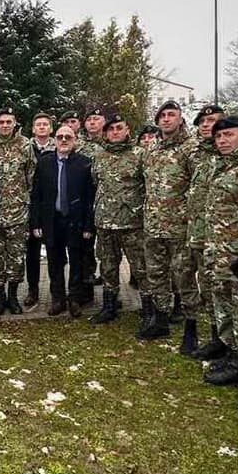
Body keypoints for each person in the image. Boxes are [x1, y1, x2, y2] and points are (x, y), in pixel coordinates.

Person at [203, 116, 238, 389]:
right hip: (219, 253)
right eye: (218, 136)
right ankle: (232, 354)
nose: (223, 140)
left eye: (229, 134)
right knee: (224, 307)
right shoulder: (220, 167)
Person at [139, 101, 195, 340]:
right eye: (162, 115)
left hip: (180, 227)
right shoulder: (151, 149)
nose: (166, 119)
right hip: (153, 225)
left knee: (184, 276)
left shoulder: (191, 148)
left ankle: (191, 326)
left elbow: (198, 187)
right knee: (156, 274)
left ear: (180, 119)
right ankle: (160, 319)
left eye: (171, 114)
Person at [29, 124, 95, 317]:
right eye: (60, 137)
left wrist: (88, 225)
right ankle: (57, 299)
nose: (64, 140)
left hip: (75, 221)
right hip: (52, 220)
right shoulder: (44, 163)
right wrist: (36, 223)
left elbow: (90, 197)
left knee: (76, 261)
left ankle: (74, 298)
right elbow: (37, 195)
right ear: (55, 140)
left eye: (68, 137)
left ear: (75, 140)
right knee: (54, 262)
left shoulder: (84, 163)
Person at [90, 113, 145, 325]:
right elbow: (96, 182)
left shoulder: (139, 154)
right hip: (105, 222)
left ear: (127, 130)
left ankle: (149, 309)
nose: (115, 132)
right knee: (108, 267)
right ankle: (109, 307)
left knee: (140, 268)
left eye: (119, 128)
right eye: (111, 129)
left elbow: (147, 185)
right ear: (106, 133)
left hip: (132, 223)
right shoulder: (99, 156)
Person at [0, 109, 36, 315]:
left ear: (15, 123)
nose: (5, 125)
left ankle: (13, 297)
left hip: (18, 214)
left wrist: (27, 203)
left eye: (9, 122)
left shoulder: (25, 145)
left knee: (16, 258)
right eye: (1, 122)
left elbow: (31, 176)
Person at [185, 104, 226, 360]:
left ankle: (226, 342)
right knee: (207, 285)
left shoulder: (231, 156)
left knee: (222, 289)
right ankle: (215, 337)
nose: (206, 125)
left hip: (225, 237)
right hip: (199, 233)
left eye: (212, 121)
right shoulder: (195, 154)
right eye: (202, 121)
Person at [23, 113, 56, 309]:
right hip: (29, 204)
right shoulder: (25, 147)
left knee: (54, 251)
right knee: (32, 252)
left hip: (51, 205)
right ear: (33, 129)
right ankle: (32, 289)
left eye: (45, 124)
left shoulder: (58, 145)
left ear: (51, 128)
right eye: (38, 124)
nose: (42, 127)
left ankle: (56, 290)